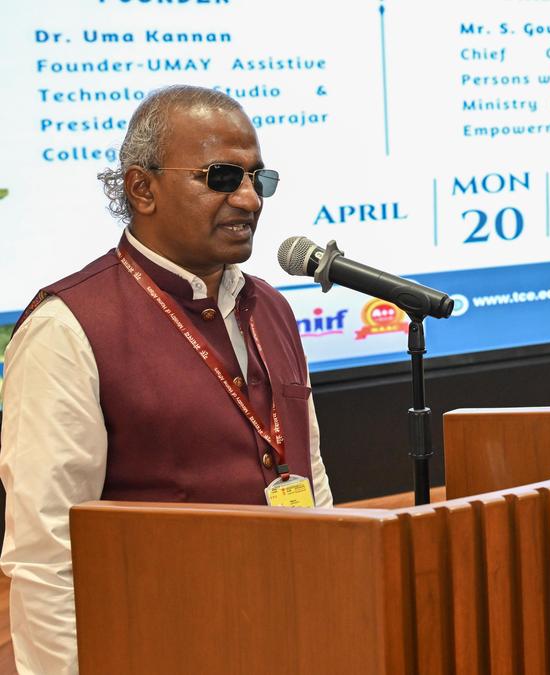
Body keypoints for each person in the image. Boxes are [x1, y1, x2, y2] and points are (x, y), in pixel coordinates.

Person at [0, 85, 334, 674]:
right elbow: (48, 556)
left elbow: (311, 477)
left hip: (296, 638)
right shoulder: (66, 328)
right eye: (223, 177)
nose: (250, 199)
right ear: (141, 188)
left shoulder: (273, 308)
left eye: (261, 178)